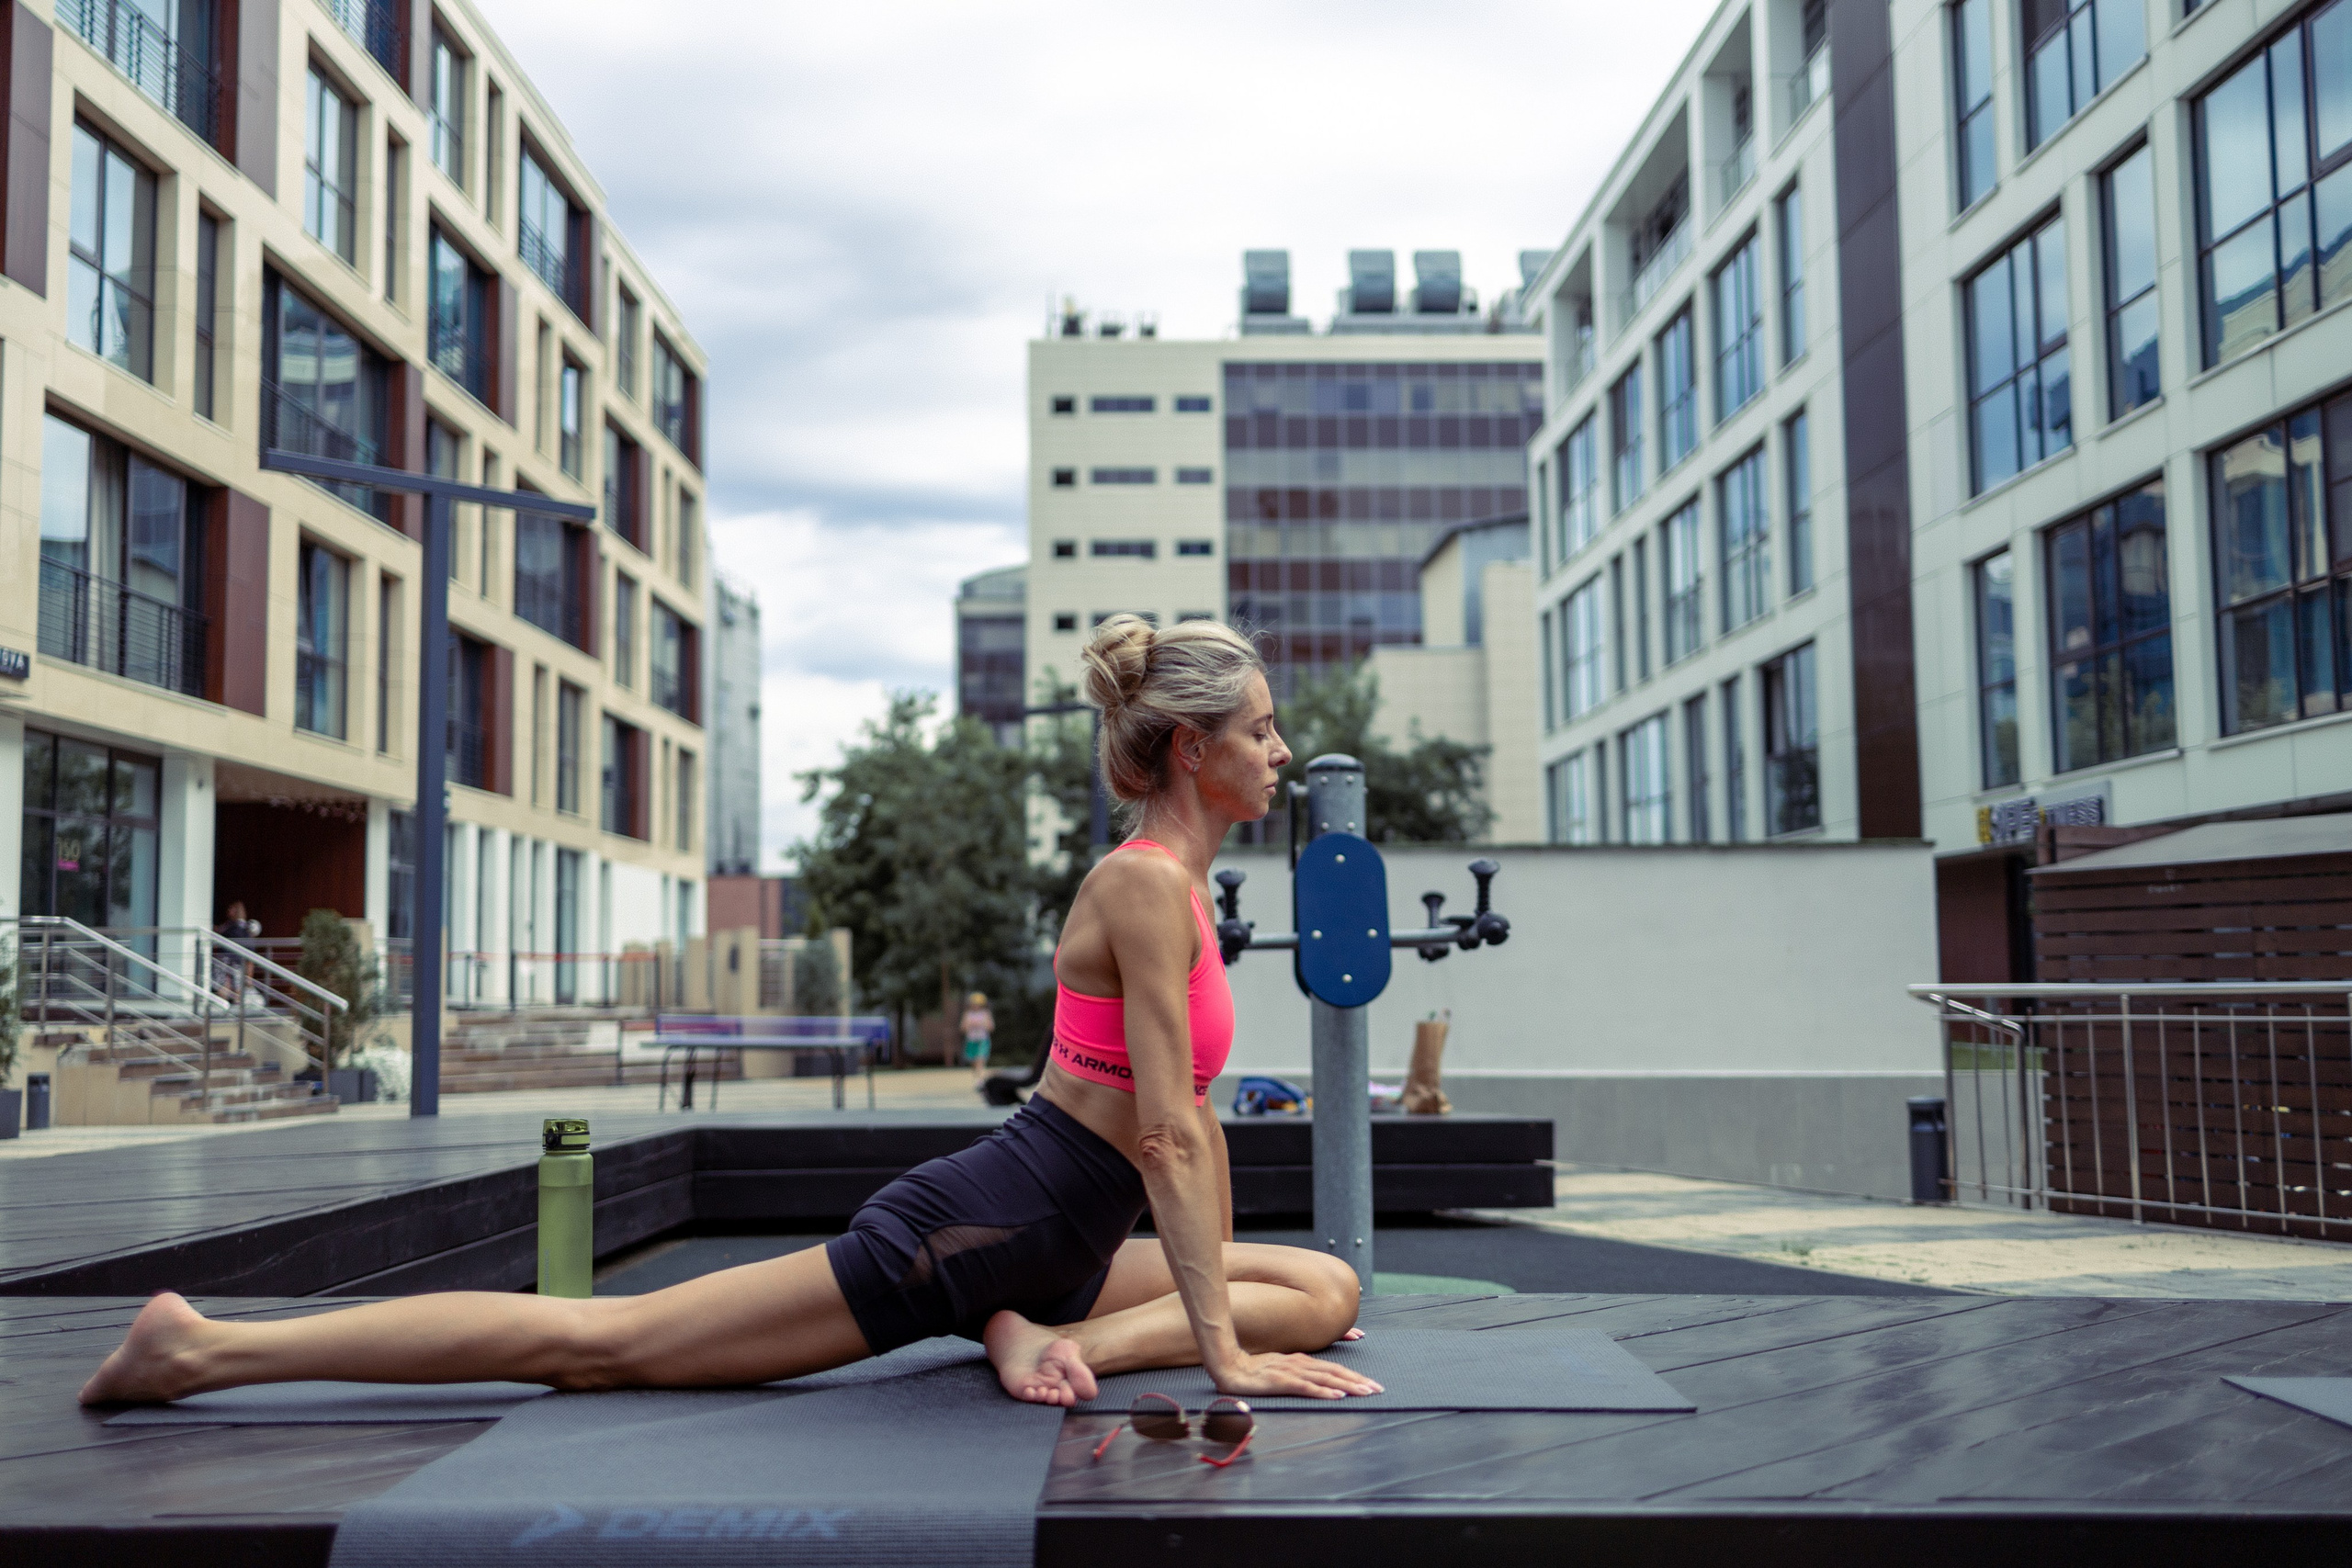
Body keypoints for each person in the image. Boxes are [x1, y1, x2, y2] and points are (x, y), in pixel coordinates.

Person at [81, 615, 1377, 1412]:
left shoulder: (1185, 891)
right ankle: (205, 1349)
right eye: (1262, 732)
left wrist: (1214, 1308)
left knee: (1323, 1286)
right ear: (1193, 747)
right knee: (605, 1344)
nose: (1280, 753)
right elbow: (1166, 1135)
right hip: (983, 1225)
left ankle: (1037, 1329)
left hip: (1069, 1245)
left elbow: (1187, 1119)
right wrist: (1220, 1351)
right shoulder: (1142, 886)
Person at [960, 990, 995, 1082]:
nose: (975, 1006)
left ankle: (980, 1077)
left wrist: (981, 1025)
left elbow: (991, 1027)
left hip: (982, 1039)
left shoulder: (986, 1013)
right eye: (973, 1004)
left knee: (980, 1057)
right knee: (973, 1060)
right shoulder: (967, 1014)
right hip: (971, 1039)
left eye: (977, 1004)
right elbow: (963, 1028)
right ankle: (976, 1075)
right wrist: (970, 1025)